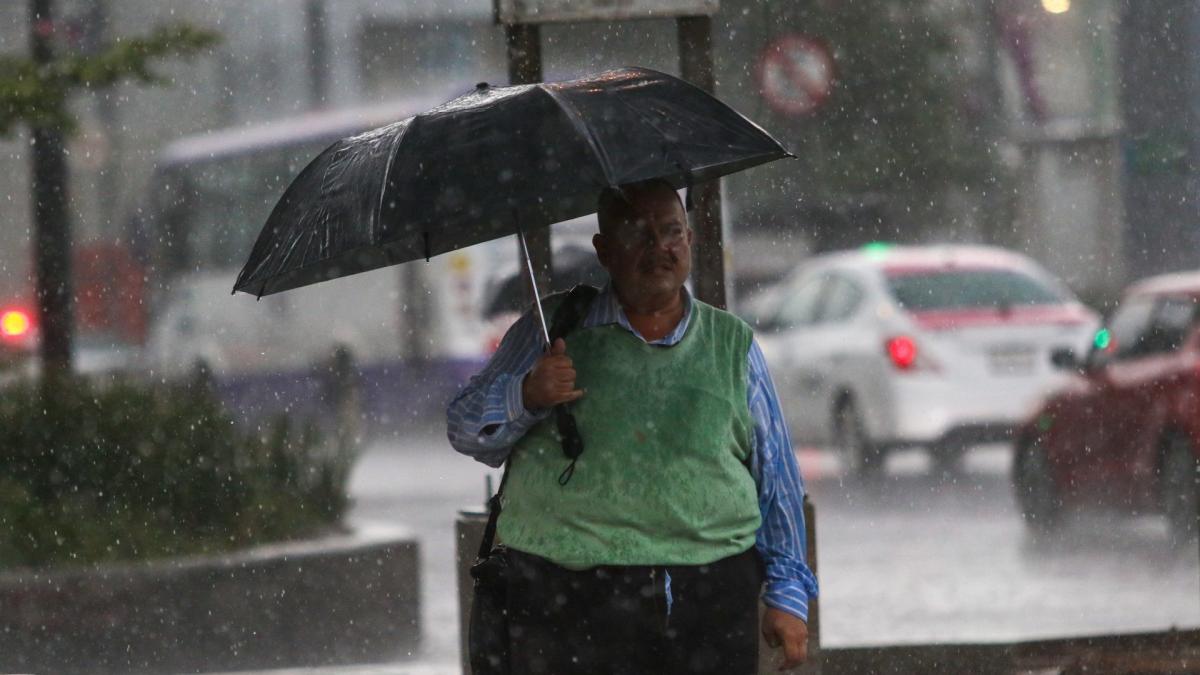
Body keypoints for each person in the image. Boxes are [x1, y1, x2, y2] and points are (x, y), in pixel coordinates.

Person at [447, 179, 817, 673]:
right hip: (564, 600)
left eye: (671, 232)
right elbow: (465, 429)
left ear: (690, 240)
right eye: (637, 235)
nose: (658, 248)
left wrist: (788, 595)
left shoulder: (733, 345)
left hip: (708, 600)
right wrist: (527, 395)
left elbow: (777, 479)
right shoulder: (552, 327)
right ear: (603, 250)